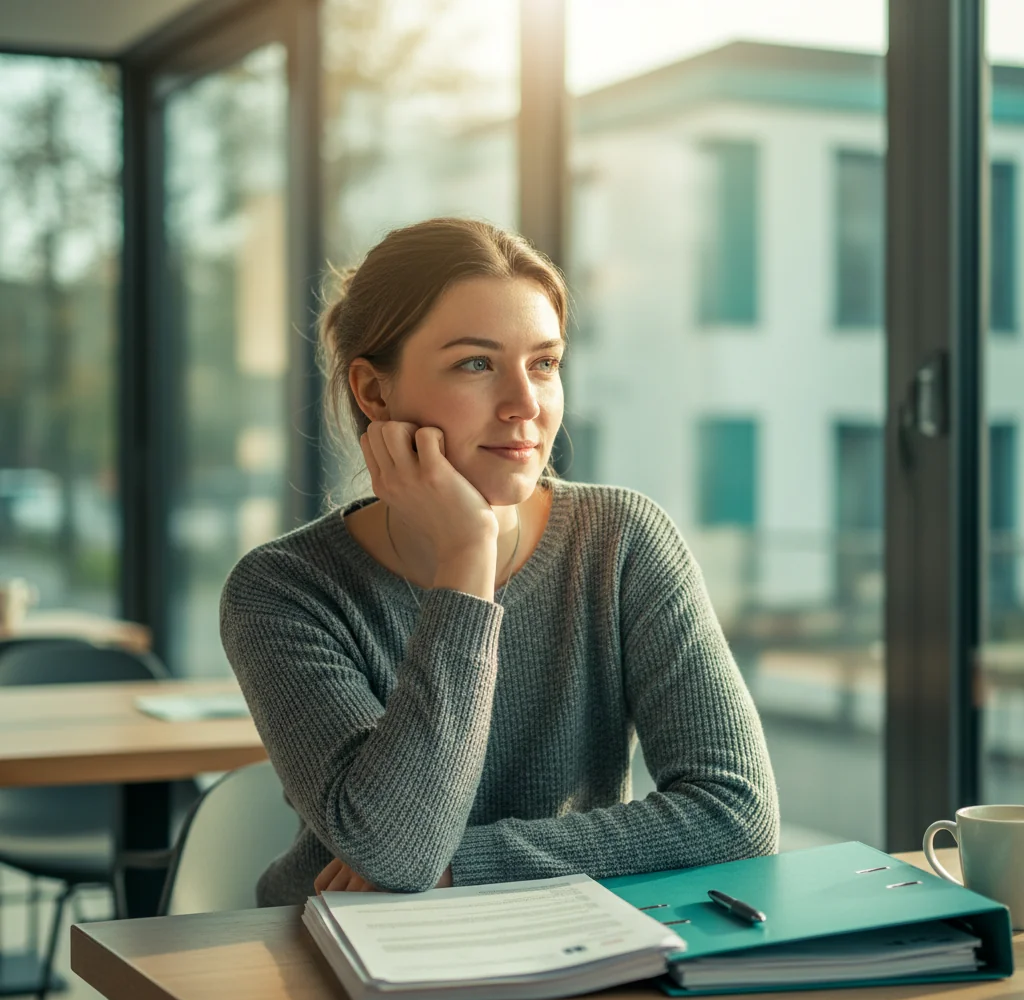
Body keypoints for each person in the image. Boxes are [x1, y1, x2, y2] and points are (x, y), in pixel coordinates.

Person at [220, 217, 779, 906]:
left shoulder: (623, 541)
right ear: (374, 392)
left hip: (579, 949)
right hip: (344, 967)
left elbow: (737, 814)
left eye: (543, 363)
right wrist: (468, 556)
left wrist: (467, 863)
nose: (525, 405)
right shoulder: (283, 589)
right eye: (476, 364)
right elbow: (395, 848)